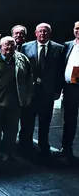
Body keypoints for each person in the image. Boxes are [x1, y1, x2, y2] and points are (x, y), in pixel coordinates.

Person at [19, 23, 64, 158]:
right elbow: (22, 70)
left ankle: (44, 145)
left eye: (45, 32)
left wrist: (58, 91)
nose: (43, 34)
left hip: (48, 92)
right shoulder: (26, 47)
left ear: (49, 33)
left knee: (45, 120)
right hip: (30, 92)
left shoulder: (59, 48)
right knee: (27, 120)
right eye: (40, 31)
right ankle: (25, 144)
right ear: (35, 33)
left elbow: (60, 72)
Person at [56, 21, 79, 160]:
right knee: (69, 119)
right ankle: (66, 148)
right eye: (77, 28)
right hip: (70, 88)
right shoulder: (68, 45)